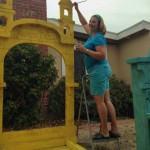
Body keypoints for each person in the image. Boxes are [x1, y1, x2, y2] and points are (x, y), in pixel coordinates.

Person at [73, 2, 120, 140]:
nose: (91, 23)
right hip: (103, 70)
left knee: (100, 102)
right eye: (90, 21)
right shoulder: (91, 35)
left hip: (99, 70)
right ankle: (115, 130)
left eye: (94, 22)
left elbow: (102, 55)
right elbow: (83, 23)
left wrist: (84, 50)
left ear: (99, 24)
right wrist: (77, 9)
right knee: (107, 100)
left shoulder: (98, 36)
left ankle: (104, 131)